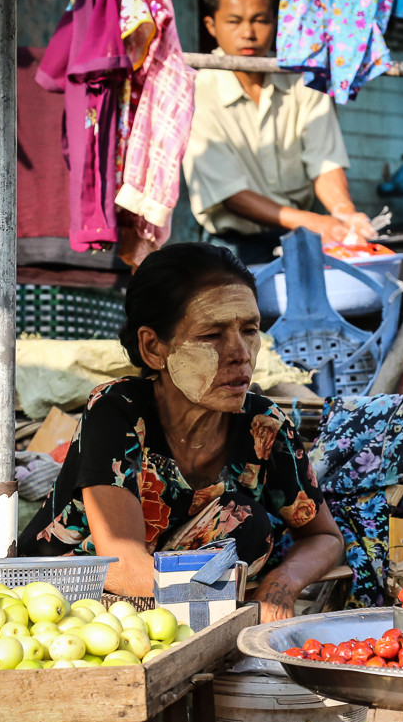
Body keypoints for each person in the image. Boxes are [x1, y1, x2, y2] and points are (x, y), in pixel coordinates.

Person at [17, 244, 344, 621]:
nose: (241, 353)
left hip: (174, 610)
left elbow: (324, 537)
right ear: (153, 348)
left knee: (248, 523)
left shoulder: (264, 426)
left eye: (250, 329)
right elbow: (125, 563)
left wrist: (283, 582)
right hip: (72, 609)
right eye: (211, 335)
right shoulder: (116, 410)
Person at [182, 0, 375, 264]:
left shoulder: (303, 81)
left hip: (301, 237)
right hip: (231, 246)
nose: (248, 33)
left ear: (275, 22)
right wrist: (317, 222)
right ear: (211, 25)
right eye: (234, 21)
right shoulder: (197, 92)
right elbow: (231, 194)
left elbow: (325, 164)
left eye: (259, 20)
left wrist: (344, 214)